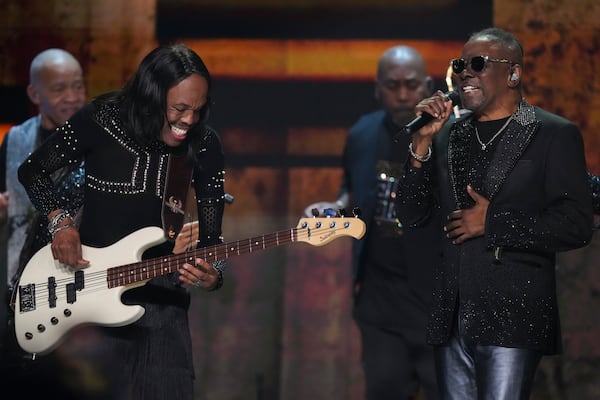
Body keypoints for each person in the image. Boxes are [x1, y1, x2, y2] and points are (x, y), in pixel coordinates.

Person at [16, 43, 227, 399]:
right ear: (151, 95)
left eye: (198, 110)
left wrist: (214, 273)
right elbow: (32, 171)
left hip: (163, 312)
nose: (189, 120)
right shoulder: (101, 118)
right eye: (179, 108)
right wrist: (61, 223)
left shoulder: (204, 144)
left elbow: (212, 238)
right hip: (89, 303)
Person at [395, 27, 593, 399]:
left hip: (513, 315)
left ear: (513, 74)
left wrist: (494, 221)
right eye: (461, 64)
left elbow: (576, 225)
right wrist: (420, 145)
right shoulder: (447, 135)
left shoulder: (551, 133)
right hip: (452, 314)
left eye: (478, 63)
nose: (465, 72)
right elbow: (411, 213)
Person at [305, 45, 440, 399]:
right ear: (377, 88)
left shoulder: (450, 136)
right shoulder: (363, 135)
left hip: (439, 302)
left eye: (411, 85)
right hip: (381, 304)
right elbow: (355, 198)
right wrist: (332, 212)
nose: (402, 95)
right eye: (392, 85)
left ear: (427, 85)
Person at [0, 48, 86, 289]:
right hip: (23, 274)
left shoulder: (97, 139)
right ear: (34, 94)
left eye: (78, 87)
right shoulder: (15, 139)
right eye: (59, 89)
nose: (72, 97)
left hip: (81, 274)